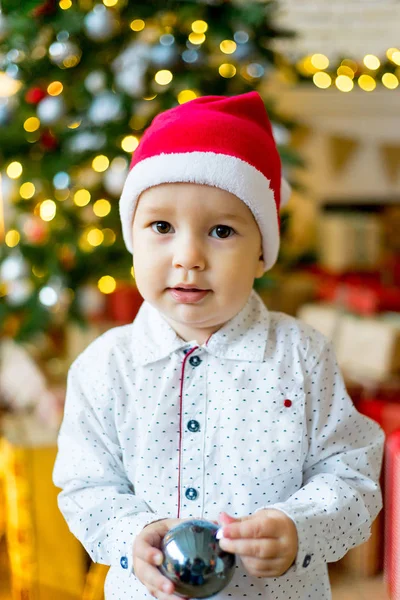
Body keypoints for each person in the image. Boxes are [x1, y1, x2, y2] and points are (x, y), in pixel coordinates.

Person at [53, 92, 384, 600]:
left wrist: (299, 528)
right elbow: (86, 486)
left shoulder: (301, 354)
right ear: (132, 239)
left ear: (261, 251)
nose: (188, 257)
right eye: (161, 227)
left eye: (221, 230)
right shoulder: (104, 367)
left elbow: (353, 477)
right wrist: (129, 537)